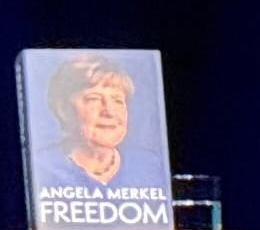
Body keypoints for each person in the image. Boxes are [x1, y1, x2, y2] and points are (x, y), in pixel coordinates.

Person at [42, 53, 167, 193]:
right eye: (93, 99)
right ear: (63, 109)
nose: (109, 111)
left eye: (118, 101)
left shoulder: (150, 167)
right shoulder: (43, 168)